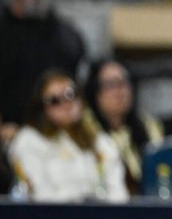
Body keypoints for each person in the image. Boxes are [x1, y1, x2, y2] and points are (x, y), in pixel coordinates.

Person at [7, 69, 128, 203]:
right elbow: (40, 195)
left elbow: (118, 193)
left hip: (102, 218)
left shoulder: (98, 140)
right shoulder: (28, 141)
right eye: (54, 100)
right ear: (41, 107)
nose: (66, 104)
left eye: (70, 94)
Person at [83, 59, 164, 195]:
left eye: (125, 82)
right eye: (111, 84)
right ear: (95, 93)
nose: (121, 90)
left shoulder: (148, 125)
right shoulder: (86, 129)